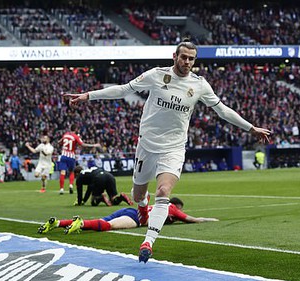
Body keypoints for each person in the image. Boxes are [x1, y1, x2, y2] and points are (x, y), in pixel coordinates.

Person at [66, 38, 271, 264]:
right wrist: (88, 95)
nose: (187, 62)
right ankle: (143, 209)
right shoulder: (156, 75)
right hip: (146, 146)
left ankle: (148, 242)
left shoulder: (200, 85)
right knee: (137, 195)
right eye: (183, 57)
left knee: (163, 192)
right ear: (175, 56)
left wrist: (250, 128)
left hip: (173, 148)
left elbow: (222, 110)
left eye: (191, 59)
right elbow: (125, 90)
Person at [38, 196, 218, 234]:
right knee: (107, 226)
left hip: (129, 211)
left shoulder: (161, 206)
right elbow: (191, 220)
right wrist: (209, 219)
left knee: (104, 221)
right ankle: (81, 224)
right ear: (176, 205)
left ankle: (58, 223)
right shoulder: (171, 208)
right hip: (136, 218)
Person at [58, 124, 101, 195]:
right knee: (71, 171)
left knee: (63, 172)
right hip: (71, 156)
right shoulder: (76, 136)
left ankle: (61, 189)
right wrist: (94, 145)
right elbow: (83, 144)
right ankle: (71, 185)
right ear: (76, 129)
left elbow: (59, 142)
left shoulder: (65, 135)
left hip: (63, 155)